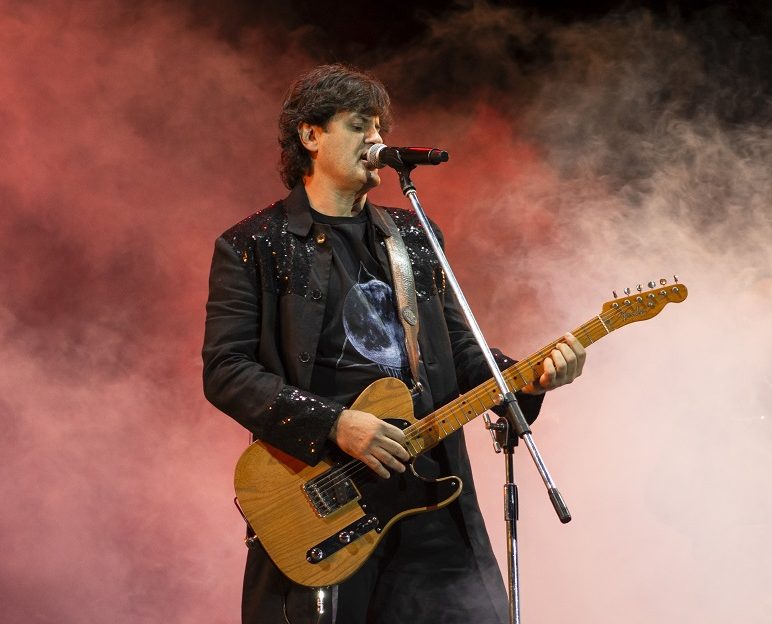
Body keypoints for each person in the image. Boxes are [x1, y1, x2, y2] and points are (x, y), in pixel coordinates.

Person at [202, 64, 586, 624]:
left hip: (432, 493)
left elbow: (458, 350)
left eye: (379, 127)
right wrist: (336, 425)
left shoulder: (414, 236)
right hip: (329, 503)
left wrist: (527, 377)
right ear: (310, 135)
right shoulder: (254, 245)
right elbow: (226, 369)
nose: (376, 139)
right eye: (359, 126)